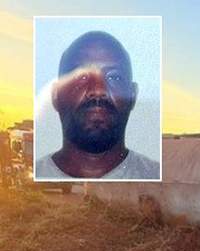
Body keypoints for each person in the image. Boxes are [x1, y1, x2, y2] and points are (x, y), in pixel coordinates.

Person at [36, 31, 159, 180]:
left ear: (133, 96)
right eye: (81, 76)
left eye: (114, 77)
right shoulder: (34, 175)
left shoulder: (155, 175)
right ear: (56, 95)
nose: (98, 90)